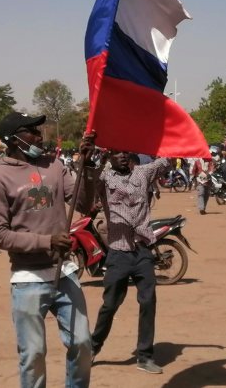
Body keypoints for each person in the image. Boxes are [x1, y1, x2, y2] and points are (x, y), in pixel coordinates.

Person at [0, 112, 93, 388]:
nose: (38, 135)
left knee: (82, 344)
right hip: (28, 279)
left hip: (65, 272)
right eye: (31, 130)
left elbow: (83, 202)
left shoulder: (54, 165)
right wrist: (46, 242)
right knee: (33, 354)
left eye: (38, 129)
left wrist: (87, 167)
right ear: (13, 139)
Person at [88, 141, 168, 374]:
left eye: (126, 152)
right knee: (111, 304)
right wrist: (90, 156)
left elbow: (165, 160)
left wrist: (167, 138)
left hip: (143, 251)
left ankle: (144, 356)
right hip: (118, 252)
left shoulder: (143, 172)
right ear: (110, 156)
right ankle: (93, 347)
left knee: (148, 301)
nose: (123, 156)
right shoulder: (104, 179)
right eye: (117, 152)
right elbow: (88, 181)